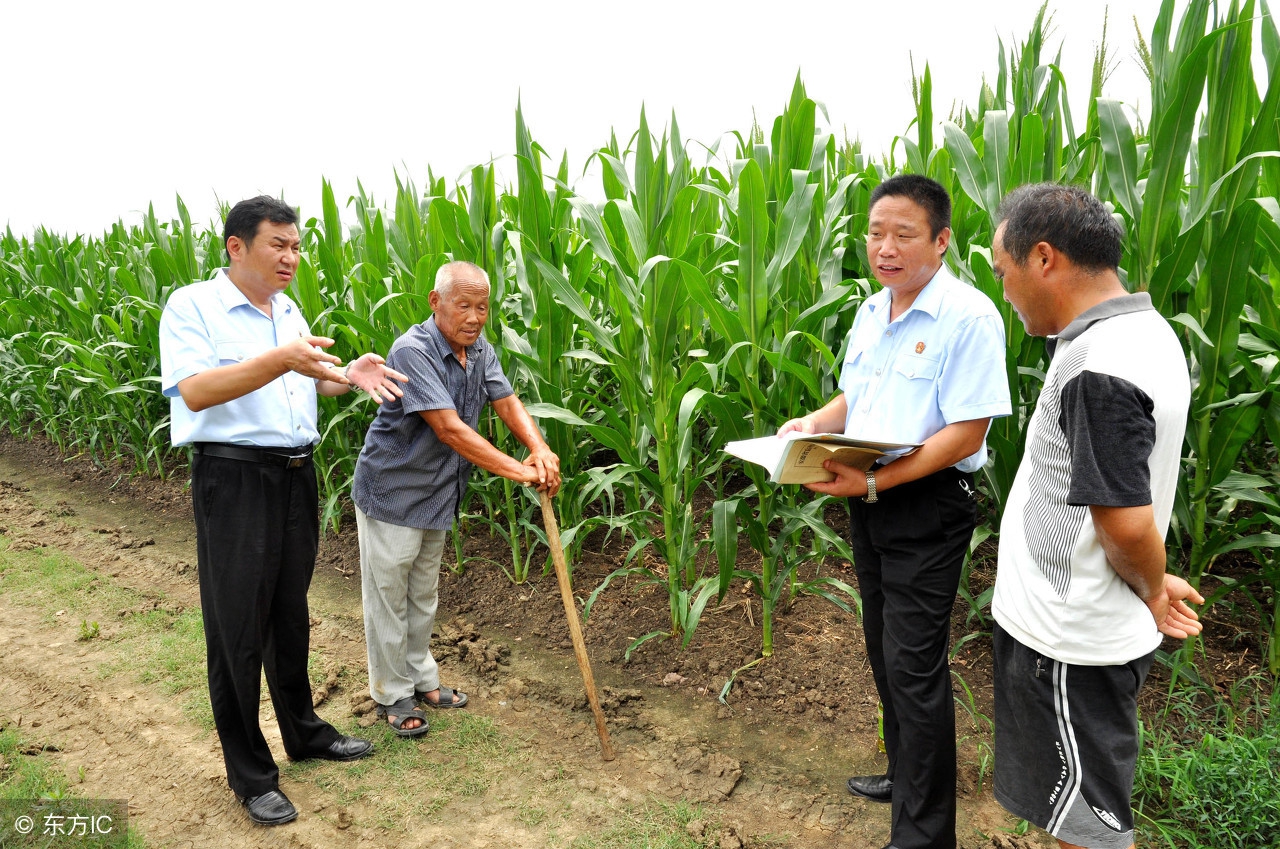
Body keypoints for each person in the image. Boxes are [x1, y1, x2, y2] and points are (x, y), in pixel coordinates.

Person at [159, 195, 408, 826]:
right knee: (237, 630)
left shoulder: (286, 308)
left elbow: (306, 377)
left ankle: (304, 731)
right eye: (279, 245)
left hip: (297, 476)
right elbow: (194, 391)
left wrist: (344, 373)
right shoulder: (194, 306)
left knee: (287, 615)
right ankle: (250, 773)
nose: (292, 257)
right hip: (235, 479)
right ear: (236, 246)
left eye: (297, 246)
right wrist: (281, 360)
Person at [779, 174, 1012, 849]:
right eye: (876, 232)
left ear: (940, 241)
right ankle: (905, 770)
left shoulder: (968, 318)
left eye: (903, 234)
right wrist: (809, 422)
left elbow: (966, 435)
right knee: (885, 653)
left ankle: (924, 834)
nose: (885, 246)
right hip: (871, 495)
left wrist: (877, 486)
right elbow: (854, 397)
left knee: (913, 666)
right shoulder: (871, 310)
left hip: (925, 504)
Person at [990, 183, 1202, 849]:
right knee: (1075, 814)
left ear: (1044, 258)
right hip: (1073, 631)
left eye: (1004, 273)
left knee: (1088, 828)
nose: (1004, 292)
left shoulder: (1101, 364)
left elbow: (1127, 525)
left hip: (1068, 643)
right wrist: (1154, 582)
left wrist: (1152, 586)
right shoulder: (1143, 330)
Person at [353, 260, 560, 737]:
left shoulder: (479, 349)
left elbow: (505, 400)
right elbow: (448, 427)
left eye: (482, 307)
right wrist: (519, 472)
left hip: (438, 492)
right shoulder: (413, 350)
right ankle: (392, 692)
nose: (474, 317)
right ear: (436, 302)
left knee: (422, 593)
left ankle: (422, 680)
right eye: (463, 305)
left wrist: (539, 447)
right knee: (389, 595)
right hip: (394, 490)